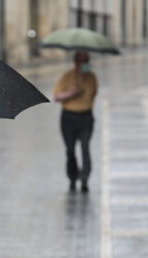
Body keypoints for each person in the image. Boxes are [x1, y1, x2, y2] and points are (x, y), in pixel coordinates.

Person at [54, 51, 98, 193]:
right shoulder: (67, 76)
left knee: (85, 148)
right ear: (75, 62)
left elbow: (93, 94)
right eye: (81, 60)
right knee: (70, 150)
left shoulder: (92, 78)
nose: (84, 63)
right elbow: (56, 96)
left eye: (86, 60)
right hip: (68, 118)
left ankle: (85, 179)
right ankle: (72, 177)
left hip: (86, 117)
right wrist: (71, 93)